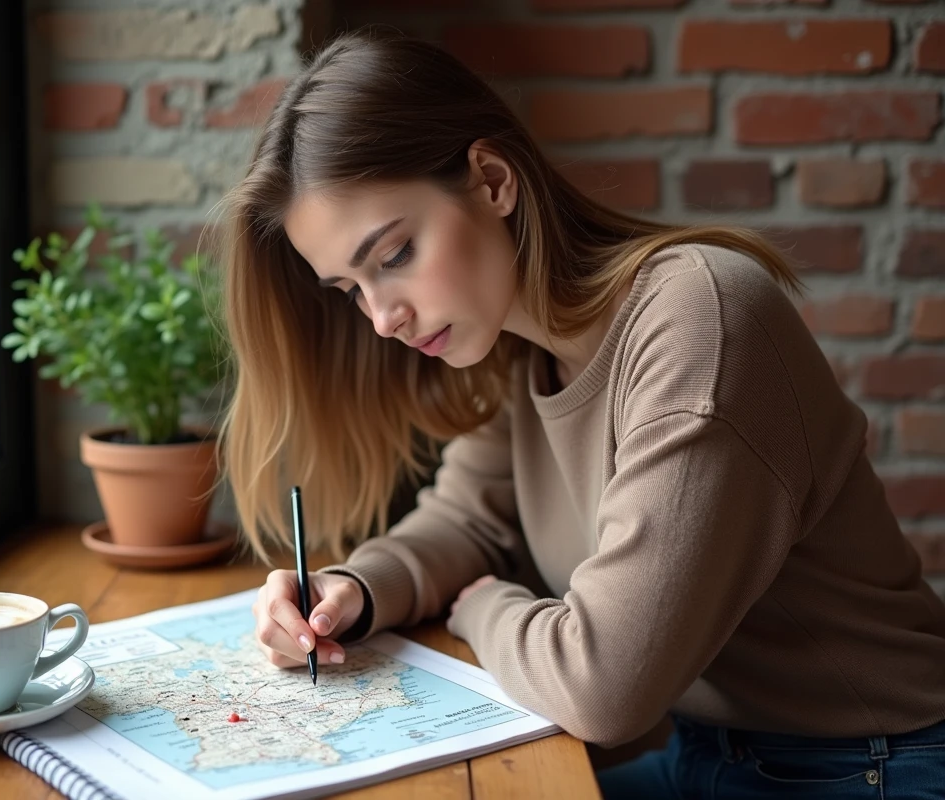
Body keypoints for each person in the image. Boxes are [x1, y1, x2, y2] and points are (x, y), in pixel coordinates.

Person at [215, 27, 945, 799]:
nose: (382, 318)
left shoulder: (700, 321)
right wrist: (351, 591)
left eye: (394, 255)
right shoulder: (519, 347)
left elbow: (604, 686)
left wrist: (485, 607)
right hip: (713, 759)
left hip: (872, 770)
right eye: (351, 289)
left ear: (493, 179)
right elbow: (467, 521)